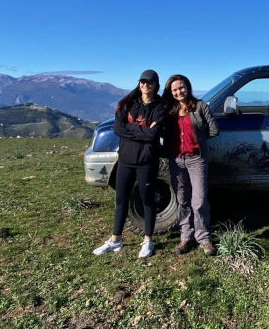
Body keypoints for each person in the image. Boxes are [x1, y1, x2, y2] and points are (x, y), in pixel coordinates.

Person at [93, 70, 165, 258]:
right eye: (142, 82)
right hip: (125, 161)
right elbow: (118, 128)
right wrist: (141, 130)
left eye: (149, 82)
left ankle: (148, 240)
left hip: (146, 162)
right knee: (121, 200)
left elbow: (154, 135)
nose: (145, 85)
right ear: (139, 84)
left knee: (147, 200)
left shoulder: (160, 107)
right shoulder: (128, 103)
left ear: (156, 85)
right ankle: (115, 240)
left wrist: (131, 129)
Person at [162, 74, 220, 256]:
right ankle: (186, 237)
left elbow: (213, 130)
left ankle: (204, 237)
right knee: (182, 199)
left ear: (188, 87)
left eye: (181, 87)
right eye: (175, 90)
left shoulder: (200, 106)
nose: (179, 91)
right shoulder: (169, 109)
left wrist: (197, 142)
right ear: (170, 93)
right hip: (177, 159)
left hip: (196, 159)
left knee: (200, 200)